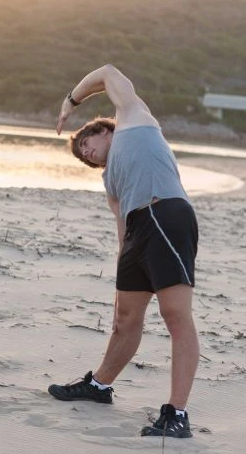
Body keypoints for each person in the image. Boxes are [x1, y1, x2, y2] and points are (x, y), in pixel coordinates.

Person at [48, 64, 198, 439]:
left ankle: (177, 414)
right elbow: (121, 221)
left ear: (102, 129)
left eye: (87, 144)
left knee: (175, 315)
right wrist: (122, 265)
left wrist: (70, 101)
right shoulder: (109, 178)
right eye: (83, 155)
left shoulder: (133, 117)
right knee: (124, 318)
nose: (87, 153)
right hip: (137, 231)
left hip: (166, 212)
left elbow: (107, 71)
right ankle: (99, 386)